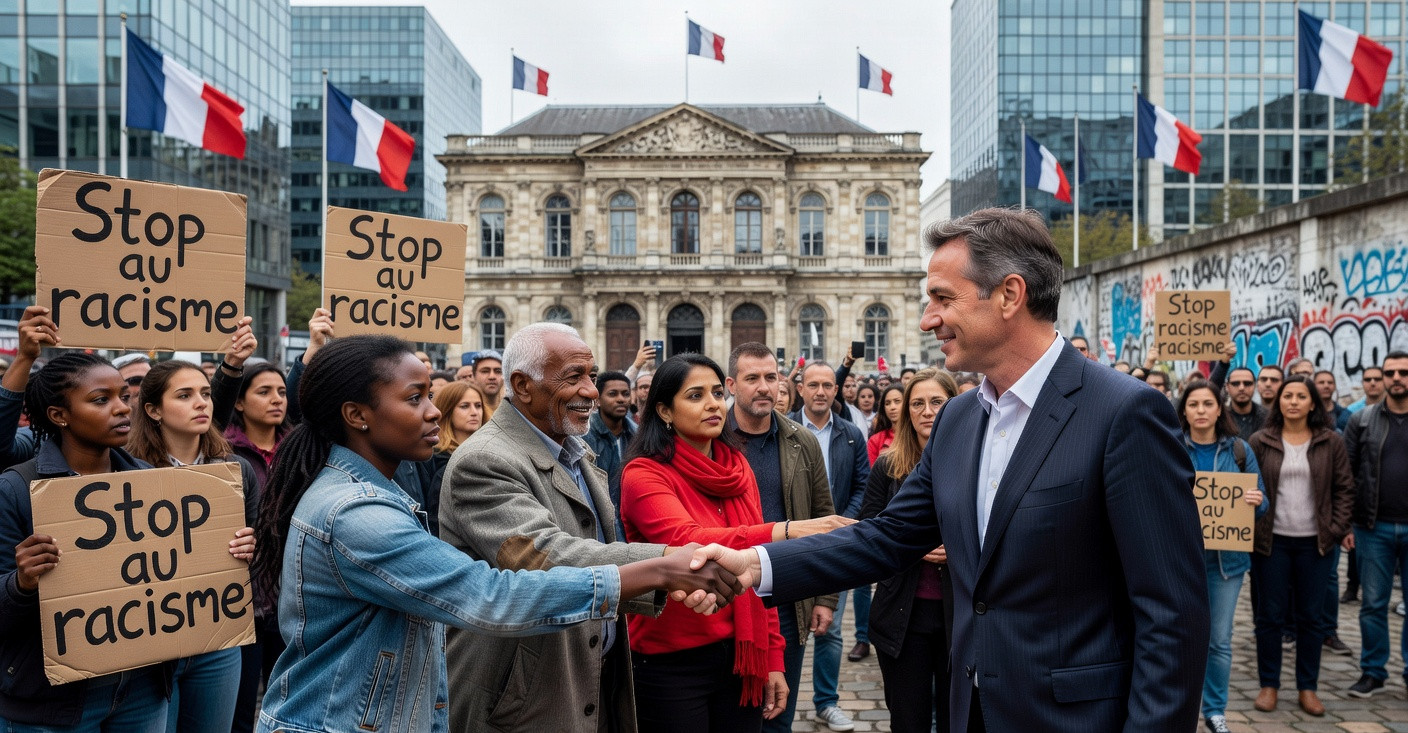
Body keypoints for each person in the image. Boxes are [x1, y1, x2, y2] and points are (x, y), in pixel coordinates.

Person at [690, 207, 1210, 730]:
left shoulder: (1124, 413)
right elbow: (889, 537)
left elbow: (1172, 617)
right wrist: (756, 564)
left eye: (943, 298)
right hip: (969, 711)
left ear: (1009, 295)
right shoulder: (960, 417)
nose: (926, 319)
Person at [250, 334, 742, 733]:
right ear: (356, 415)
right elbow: (490, 594)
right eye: (414, 398)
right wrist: (660, 567)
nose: (433, 412)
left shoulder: (371, 495)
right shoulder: (358, 514)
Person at [438, 324, 714, 732]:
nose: (591, 390)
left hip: (587, 680)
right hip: (522, 702)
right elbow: (545, 556)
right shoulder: (484, 461)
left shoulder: (576, 450)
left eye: (592, 374)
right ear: (523, 385)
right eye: (574, 377)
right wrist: (666, 563)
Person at [0, 352, 255, 731]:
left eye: (124, 396)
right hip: (54, 704)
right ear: (59, 415)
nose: (121, 408)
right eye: (101, 400)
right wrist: (21, 583)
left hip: (142, 691)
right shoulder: (18, 489)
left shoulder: (153, 483)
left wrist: (229, 553)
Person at [621, 353, 852, 732]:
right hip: (672, 660)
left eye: (715, 392)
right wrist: (787, 530)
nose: (713, 403)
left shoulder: (736, 465)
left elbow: (760, 569)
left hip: (742, 652)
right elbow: (687, 541)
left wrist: (774, 656)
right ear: (664, 410)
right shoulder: (643, 473)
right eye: (695, 396)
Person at [126, 359, 262, 733]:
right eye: (184, 396)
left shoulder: (236, 470)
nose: (201, 403)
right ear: (153, 410)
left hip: (217, 635)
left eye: (205, 394)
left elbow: (259, 552)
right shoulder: (126, 473)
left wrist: (252, 546)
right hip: (151, 642)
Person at [725, 343, 841, 733]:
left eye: (771, 377)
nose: (764, 387)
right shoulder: (711, 439)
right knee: (732, 710)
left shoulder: (800, 440)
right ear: (730, 385)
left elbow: (824, 518)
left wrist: (826, 597)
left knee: (777, 714)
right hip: (726, 597)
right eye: (752, 378)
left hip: (786, 598)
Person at [1248, 374, 1355, 716]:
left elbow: (1344, 489)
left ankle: (1308, 688)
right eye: (1287, 395)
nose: (1293, 401)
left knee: (1311, 617)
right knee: (1270, 616)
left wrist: (1336, 528)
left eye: (1300, 396)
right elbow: (1248, 486)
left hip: (1315, 545)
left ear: (1313, 403)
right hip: (1271, 542)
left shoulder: (1331, 441)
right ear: (1278, 401)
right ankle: (1269, 685)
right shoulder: (1260, 440)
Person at [858, 367, 958, 733]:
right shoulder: (888, 464)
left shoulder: (976, 459)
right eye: (917, 403)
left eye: (936, 402)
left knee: (958, 719)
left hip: (960, 614)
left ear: (955, 405)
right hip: (903, 610)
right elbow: (869, 529)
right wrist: (913, 547)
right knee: (908, 719)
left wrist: (959, 546)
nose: (927, 411)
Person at [1176, 380, 1267, 733]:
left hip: (1225, 564)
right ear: (1183, 410)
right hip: (1181, 562)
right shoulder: (1171, 446)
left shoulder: (1240, 451)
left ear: (1219, 409)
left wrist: (1256, 503)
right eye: (1194, 404)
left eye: (1207, 404)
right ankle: (1179, 707)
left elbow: (1262, 504)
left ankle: (1215, 710)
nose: (1200, 410)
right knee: (1179, 638)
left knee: (1219, 641)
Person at [791, 360, 871, 730]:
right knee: (786, 628)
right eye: (814, 385)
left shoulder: (852, 434)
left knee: (831, 627)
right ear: (802, 389)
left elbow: (862, 486)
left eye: (828, 385)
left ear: (836, 390)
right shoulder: (783, 429)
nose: (821, 391)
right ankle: (780, 701)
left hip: (835, 544)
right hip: (789, 542)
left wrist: (839, 525)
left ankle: (825, 701)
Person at [1345, 352, 1408, 698]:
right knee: (1373, 604)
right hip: (1373, 526)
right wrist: (1347, 524)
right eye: (1390, 372)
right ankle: (1373, 671)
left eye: (1403, 372)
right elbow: (1348, 474)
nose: (1396, 377)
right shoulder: (1363, 420)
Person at [416, 380, 490, 538]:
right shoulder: (432, 458)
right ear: (447, 410)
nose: (474, 412)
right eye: (464, 406)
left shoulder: (491, 452)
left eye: (478, 405)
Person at [586, 369, 637, 532]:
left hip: (631, 515)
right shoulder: (584, 437)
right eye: (613, 394)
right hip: (599, 518)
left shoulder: (638, 435)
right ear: (598, 401)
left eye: (625, 394)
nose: (621, 399)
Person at [1226, 366, 1268, 438]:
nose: (1241, 388)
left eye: (1247, 383)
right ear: (1227, 387)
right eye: (1236, 383)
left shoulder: (1268, 417)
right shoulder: (1220, 418)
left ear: (1255, 386)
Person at [866, 384, 904, 464]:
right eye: (887, 403)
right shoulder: (875, 440)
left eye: (897, 401)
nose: (892, 407)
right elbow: (873, 474)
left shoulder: (918, 435)